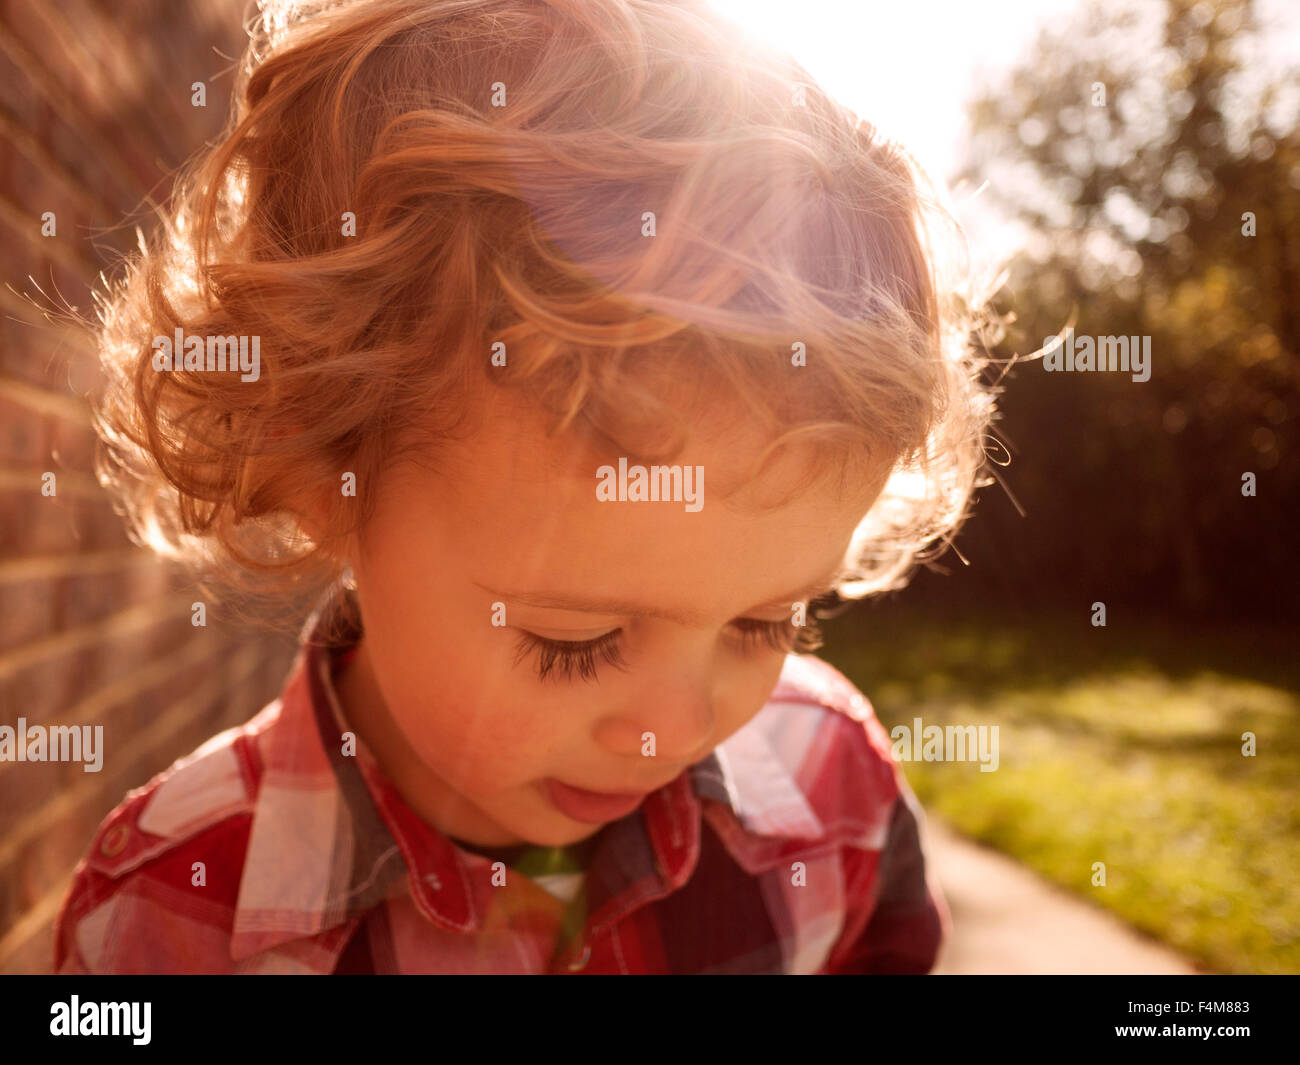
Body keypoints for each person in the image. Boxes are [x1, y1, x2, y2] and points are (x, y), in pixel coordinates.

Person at [54, 0, 995, 974]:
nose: (676, 731)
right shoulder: (167, 921)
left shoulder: (834, 792)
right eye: (573, 642)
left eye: (764, 624)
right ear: (319, 478)